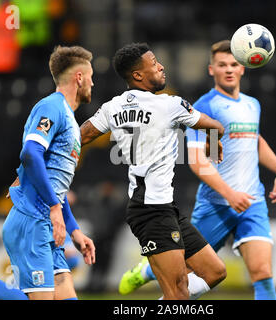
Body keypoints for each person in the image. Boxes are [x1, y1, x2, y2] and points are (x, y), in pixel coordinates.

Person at [118, 40, 276, 300]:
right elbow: (199, 160)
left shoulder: (252, 104)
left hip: (252, 201)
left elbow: (254, 140)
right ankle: (147, 272)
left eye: (234, 64)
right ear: (212, 70)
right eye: (222, 65)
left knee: (263, 272)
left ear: (243, 67)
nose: (229, 70)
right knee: (188, 267)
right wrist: (229, 193)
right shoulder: (205, 107)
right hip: (216, 204)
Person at [0, 45, 96, 300]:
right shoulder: (51, 107)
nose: (92, 82)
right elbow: (30, 153)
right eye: (90, 76)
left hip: (45, 224)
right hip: (32, 221)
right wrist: (55, 209)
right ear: (79, 77)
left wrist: (74, 230)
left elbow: (57, 187)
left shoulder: (68, 118)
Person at [79, 42, 229, 300]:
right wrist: (211, 144)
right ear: (137, 75)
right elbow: (217, 126)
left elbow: (78, 137)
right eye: (154, 63)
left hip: (162, 207)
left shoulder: (112, 108)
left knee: (214, 272)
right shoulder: (170, 105)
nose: (161, 66)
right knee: (178, 293)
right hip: (150, 210)